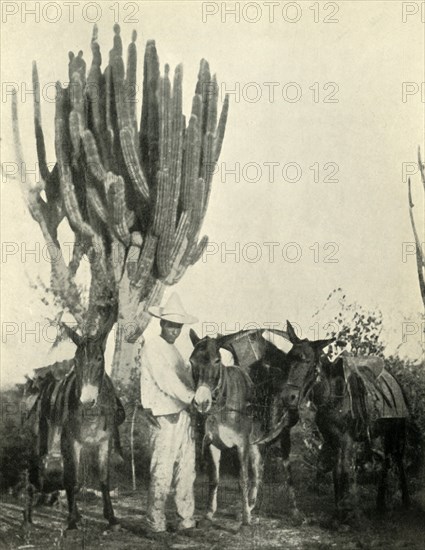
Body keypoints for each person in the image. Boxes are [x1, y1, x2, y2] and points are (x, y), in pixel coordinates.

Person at [140, 292, 198, 534]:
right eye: (170, 325)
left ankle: (186, 520)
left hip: (183, 415)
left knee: (187, 469)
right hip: (163, 415)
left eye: (178, 326)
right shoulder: (153, 347)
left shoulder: (176, 352)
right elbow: (167, 381)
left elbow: (186, 379)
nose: (174, 330)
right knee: (162, 470)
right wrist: (191, 397)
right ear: (162, 323)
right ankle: (155, 523)